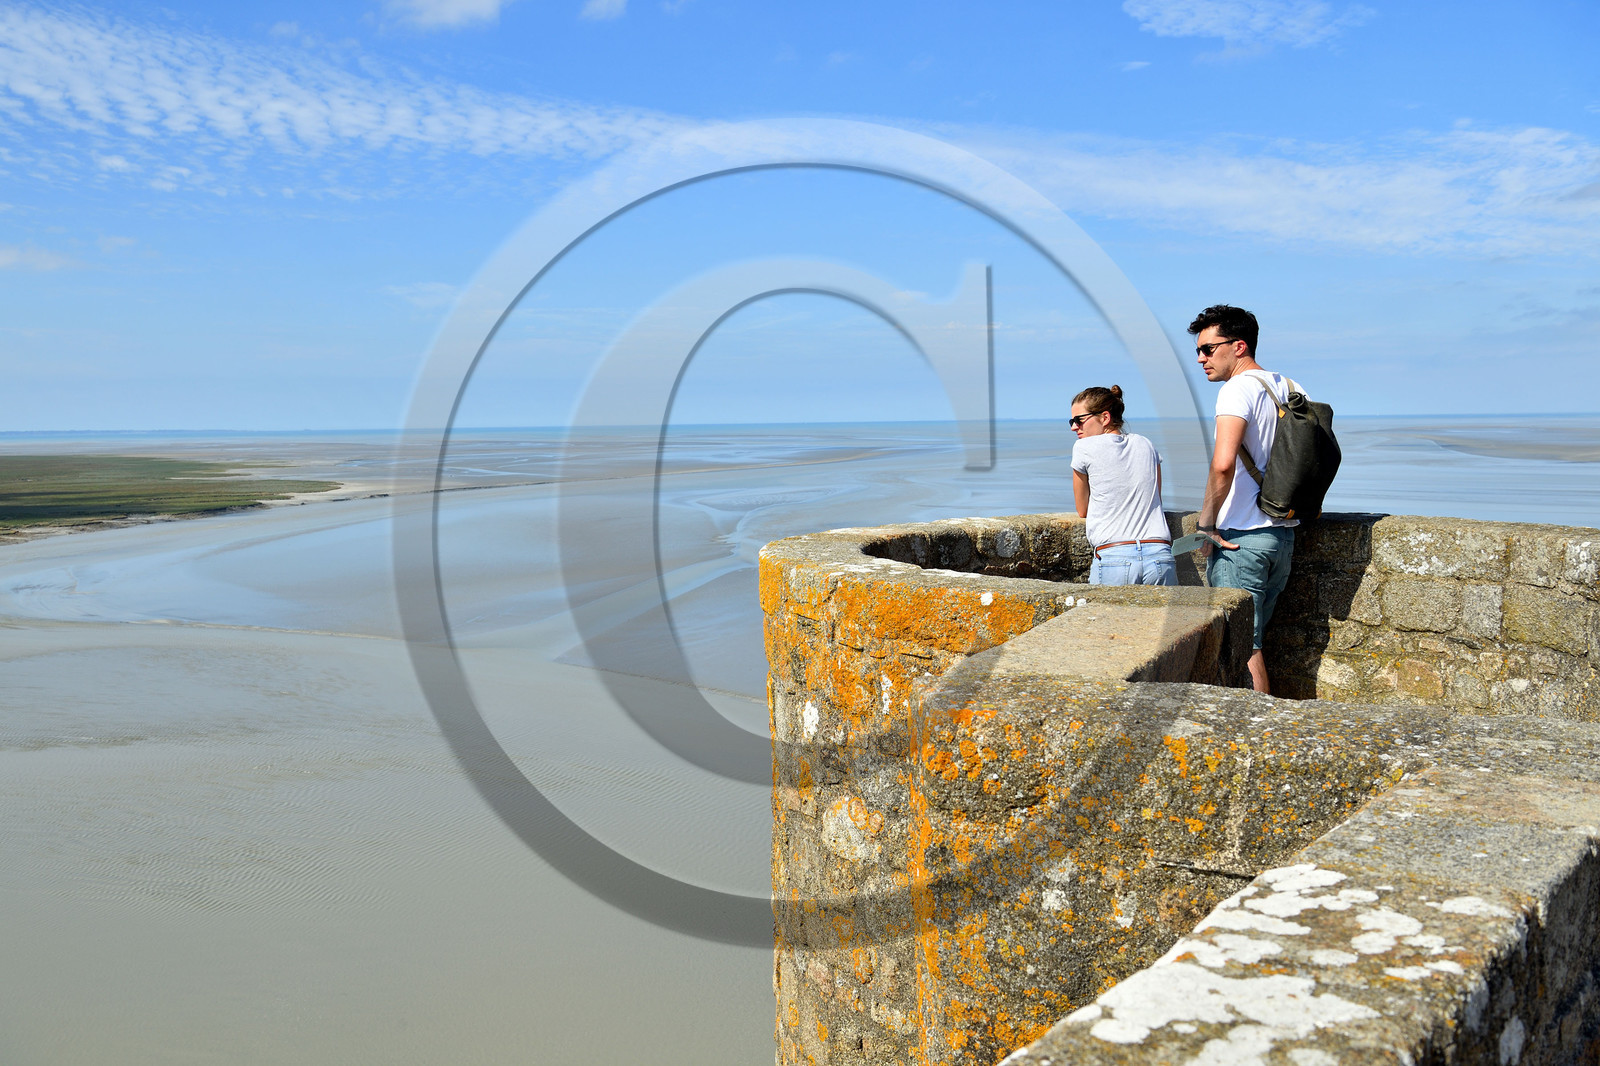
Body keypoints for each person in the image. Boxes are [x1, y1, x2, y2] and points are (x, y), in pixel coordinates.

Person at [1188, 304, 1303, 694]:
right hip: (1281, 536)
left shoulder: (1236, 390)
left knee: (1243, 648)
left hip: (1242, 539)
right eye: (1198, 351)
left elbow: (1222, 465)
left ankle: (1256, 731)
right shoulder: (1290, 386)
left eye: (1208, 348)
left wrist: (1205, 525)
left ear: (1239, 346)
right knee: (1254, 641)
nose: (1201, 358)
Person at [1070, 384, 1177, 586]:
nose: (1074, 427)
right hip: (1159, 554)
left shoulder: (1083, 447)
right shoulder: (1146, 444)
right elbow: (1155, 498)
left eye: (1079, 420)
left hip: (1114, 556)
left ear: (1105, 418)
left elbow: (1082, 509)